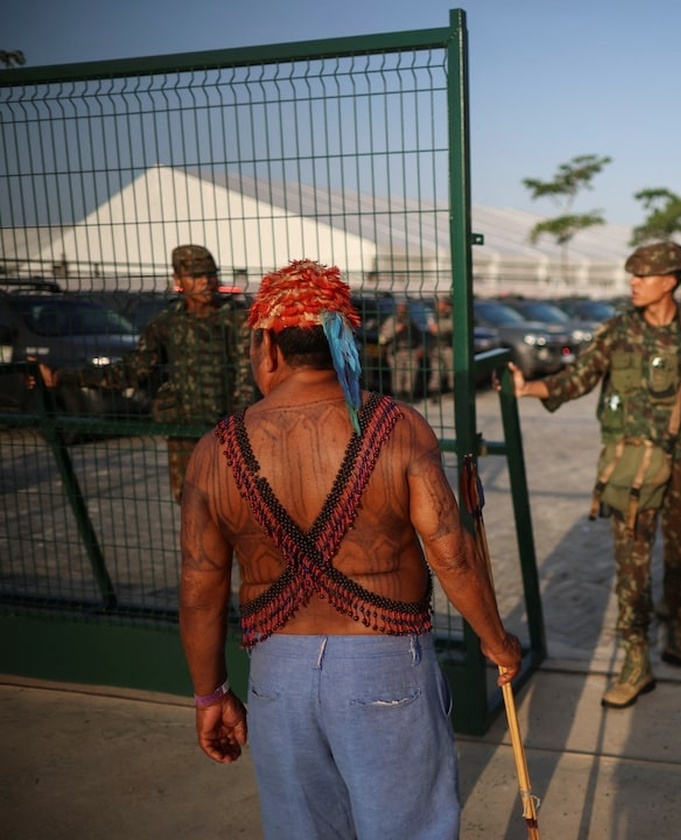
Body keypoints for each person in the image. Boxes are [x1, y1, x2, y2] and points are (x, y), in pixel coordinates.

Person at [179, 258, 521, 840]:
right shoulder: (398, 427)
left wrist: (211, 695)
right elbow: (451, 552)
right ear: (345, 339)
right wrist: (497, 642)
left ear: (267, 345)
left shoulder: (215, 450)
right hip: (384, 667)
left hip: (276, 677)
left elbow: (199, 590)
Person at [508, 241, 681, 707]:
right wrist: (531, 387)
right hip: (631, 467)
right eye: (631, 276)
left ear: (670, 281)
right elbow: (579, 376)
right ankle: (636, 658)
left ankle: (678, 637)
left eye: (643, 276)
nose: (633, 283)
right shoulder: (617, 331)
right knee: (632, 565)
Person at [42, 244, 254, 501]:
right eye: (196, 276)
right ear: (178, 280)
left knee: (239, 508)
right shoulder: (166, 324)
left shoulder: (237, 320)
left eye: (211, 274)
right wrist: (63, 376)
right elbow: (130, 371)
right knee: (193, 508)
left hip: (232, 434)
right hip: (185, 435)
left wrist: (241, 427)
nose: (206, 282)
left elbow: (248, 377)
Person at [379, 300, 423, 400]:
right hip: (396, 351)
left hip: (410, 351)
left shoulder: (410, 321)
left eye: (404, 308)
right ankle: (398, 396)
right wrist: (396, 330)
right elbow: (382, 339)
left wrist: (419, 349)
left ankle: (409, 395)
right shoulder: (391, 321)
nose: (402, 310)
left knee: (411, 374)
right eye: (400, 307)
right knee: (397, 375)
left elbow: (418, 336)